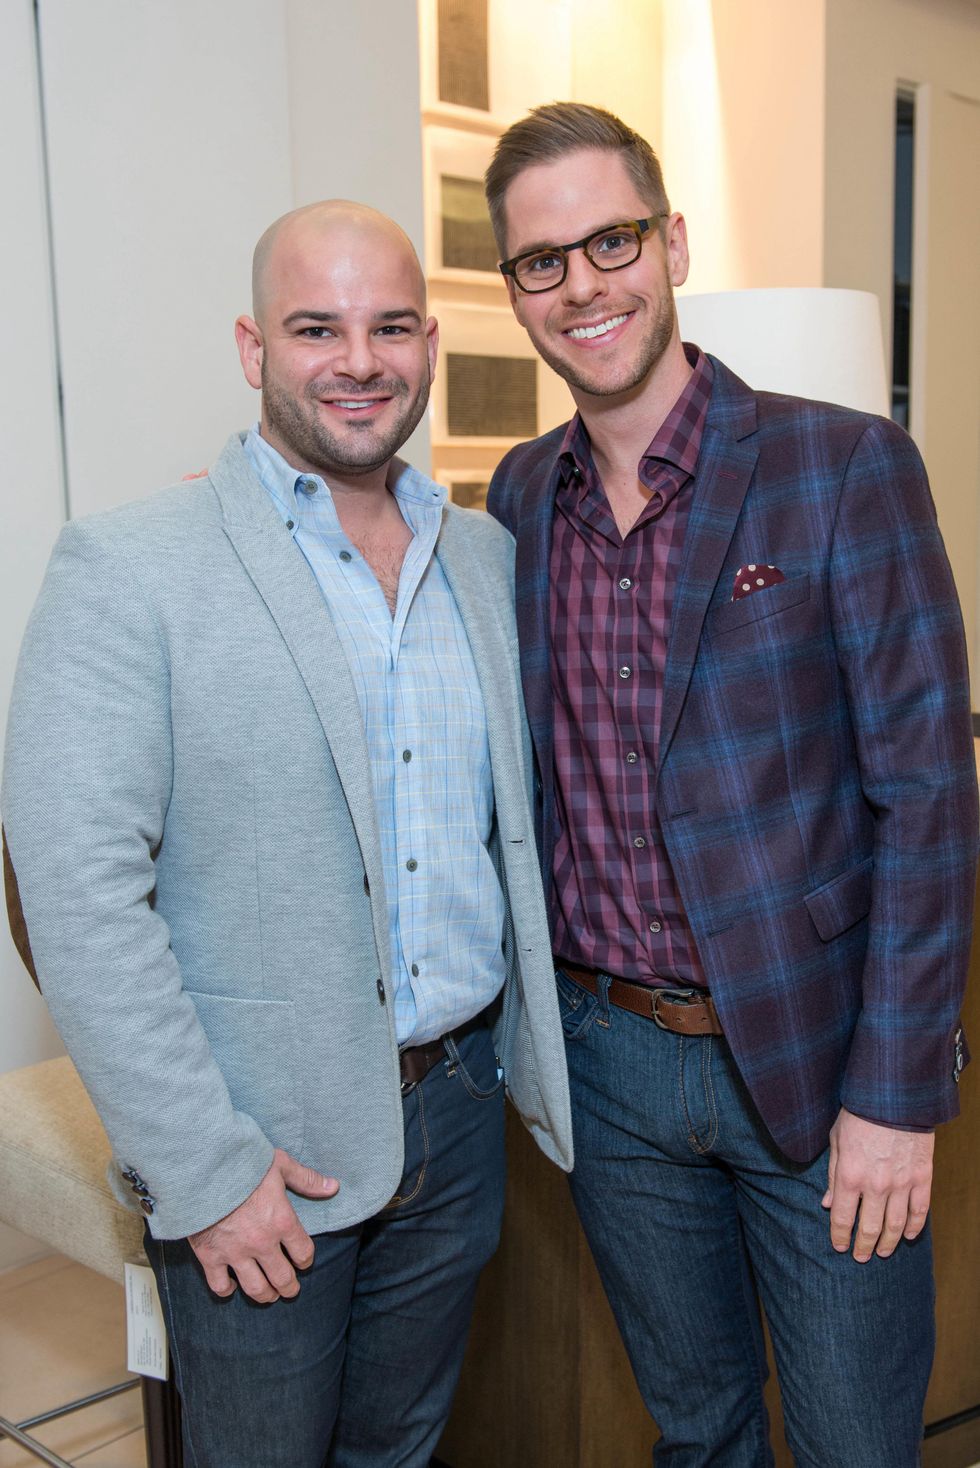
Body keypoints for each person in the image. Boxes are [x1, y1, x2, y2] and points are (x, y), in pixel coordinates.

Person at [2, 200, 572, 1468]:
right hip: (263, 1151)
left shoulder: (485, 555)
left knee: (399, 1451)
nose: (357, 360)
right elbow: (80, 895)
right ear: (254, 349)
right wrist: (204, 1172)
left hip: (457, 1111)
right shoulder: (129, 565)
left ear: (427, 343)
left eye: (387, 328)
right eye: (317, 328)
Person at [483, 102, 977, 1466]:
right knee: (696, 1435)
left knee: (853, 1444)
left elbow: (929, 799)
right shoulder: (519, 500)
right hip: (611, 1064)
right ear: (515, 290)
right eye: (542, 260)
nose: (583, 283)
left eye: (612, 238)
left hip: (819, 1070)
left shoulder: (842, 467)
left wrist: (896, 1096)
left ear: (672, 242)